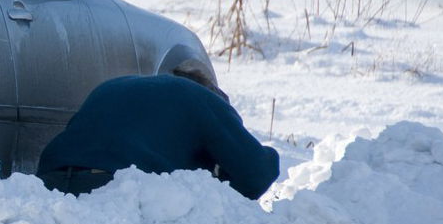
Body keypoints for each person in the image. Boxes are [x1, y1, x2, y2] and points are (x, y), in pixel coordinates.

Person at [36, 65, 279, 200]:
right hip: (114, 190)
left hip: (48, 187)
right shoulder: (203, 99)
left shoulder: (116, 85)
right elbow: (255, 173)